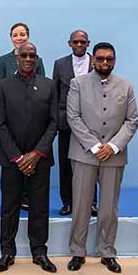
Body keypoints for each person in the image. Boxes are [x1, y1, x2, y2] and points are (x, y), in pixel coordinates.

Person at [66, 42, 137, 274]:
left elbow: (131, 121)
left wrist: (113, 146)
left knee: (108, 206)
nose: (104, 62)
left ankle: (107, 251)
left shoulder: (126, 86)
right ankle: (78, 251)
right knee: (81, 204)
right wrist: (95, 146)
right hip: (84, 154)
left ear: (114, 60)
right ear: (93, 59)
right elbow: (73, 117)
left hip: (114, 156)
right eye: (100, 58)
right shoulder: (78, 84)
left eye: (109, 59)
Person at [0, 42, 58, 273]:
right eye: (24, 55)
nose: (28, 58)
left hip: (40, 159)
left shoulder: (49, 86)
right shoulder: (3, 86)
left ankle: (39, 251)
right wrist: (19, 157)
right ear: (17, 58)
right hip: (12, 159)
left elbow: (53, 123)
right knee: (9, 206)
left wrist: (36, 154)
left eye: (32, 55)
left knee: (40, 207)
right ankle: (7, 252)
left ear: (37, 59)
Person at [52, 29, 98, 217]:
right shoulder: (60, 64)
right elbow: (54, 93)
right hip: (65, 122)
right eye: (76, 42)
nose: (79, 45)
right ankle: (68, 202)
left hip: (91, 123)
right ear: (69, 43)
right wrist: (55, 120)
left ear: (88, 44)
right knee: (65, 163)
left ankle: (91, 202)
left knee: (91, 163)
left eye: (83, 42)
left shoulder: (97, 61)